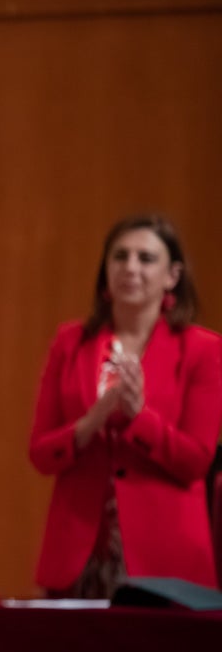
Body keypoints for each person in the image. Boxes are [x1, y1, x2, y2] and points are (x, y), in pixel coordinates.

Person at [29, 213, 222, 598]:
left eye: (146, 258)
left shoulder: (203, 350)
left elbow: (197, 461)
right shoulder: (71, 342)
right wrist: (90, 422)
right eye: (120, 256)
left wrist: (139, 418)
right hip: (78, 554)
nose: (130, 267)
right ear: (106, 270)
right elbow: (41, 453)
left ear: (172, 276)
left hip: (165, 558)